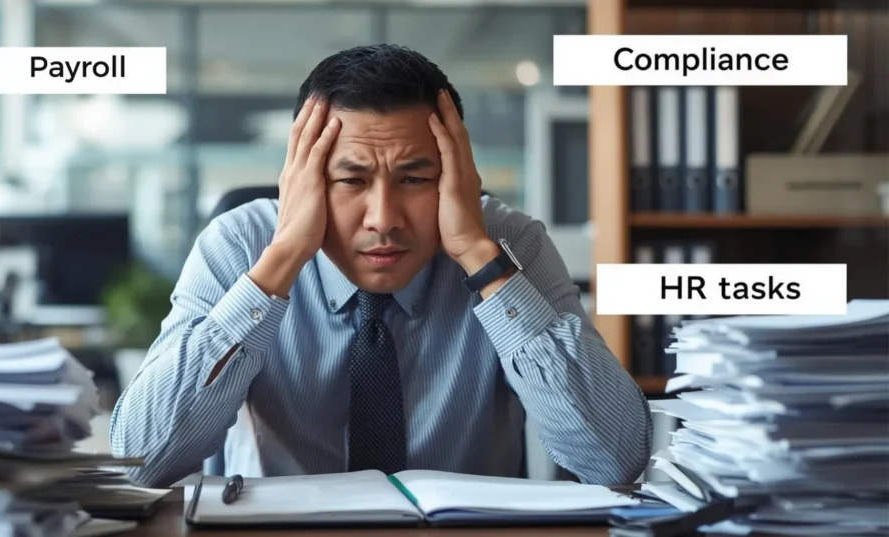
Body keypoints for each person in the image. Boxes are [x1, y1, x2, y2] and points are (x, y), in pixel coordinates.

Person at [110, 44, 652, 489]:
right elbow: (140, 461)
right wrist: (278, 264)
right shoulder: (239, 244)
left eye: (416, 179)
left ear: (457, 175)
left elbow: (617, 459)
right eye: (350, 180)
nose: (384, 219)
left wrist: (481, 261)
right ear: (304, 180)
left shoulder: (510, 245)